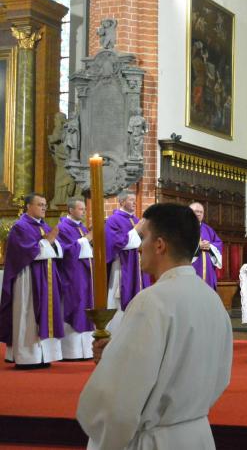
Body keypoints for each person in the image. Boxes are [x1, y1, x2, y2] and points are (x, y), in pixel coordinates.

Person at [77, 203, 233, 449]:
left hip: (154, 440)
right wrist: (114, 355)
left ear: (159, 245)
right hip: (197, 435)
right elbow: (218, 376)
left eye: (143, 238)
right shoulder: (212, 300)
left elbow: (120, 400)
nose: (139, 247)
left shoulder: (151, 301)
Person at [0, 193, 64, 368]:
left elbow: (56, 250)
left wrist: (52, 242)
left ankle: (43, 356)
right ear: (28, 206)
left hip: (45, 278)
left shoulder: (43, 225)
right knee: (28, 314)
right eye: (40, 204)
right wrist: (48, 241)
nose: (44, 208)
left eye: (45, 205)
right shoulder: (20, 227)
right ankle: (27, 357)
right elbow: (27, 252)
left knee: (45, 313)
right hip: (27, 278)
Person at [105, 191, 150, 333]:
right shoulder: (113, 220)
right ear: (122, 202)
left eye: (135, 199)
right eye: (131, 199)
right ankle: (117, 333)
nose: (134, 202)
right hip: (122, 266)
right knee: (119, 300)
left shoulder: (137, 220)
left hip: (139, 265)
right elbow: (116, 243)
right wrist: (136, 231)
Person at [57, 197, 95, 360]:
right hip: (73, 274)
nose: (84, 212)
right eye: (81, 209)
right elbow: (65, 251)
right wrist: (86, 240)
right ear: (70, 210)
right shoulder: (62, 228)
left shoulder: (82, 227)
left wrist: (90, 241)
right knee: (76, 304)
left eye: (84, 209)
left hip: (85, 273)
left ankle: (86, 351)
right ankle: (71, 352)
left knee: (87, 305)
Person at [189, 202, 223, 289]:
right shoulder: (182, 228)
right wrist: (197, 246)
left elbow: (218, 243)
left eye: (201, 212)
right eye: (196, 211)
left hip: (208, 271)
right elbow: (179, 246)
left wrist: (210, 246)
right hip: (190, 270)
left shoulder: (208, 229)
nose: (198, 214)